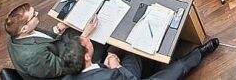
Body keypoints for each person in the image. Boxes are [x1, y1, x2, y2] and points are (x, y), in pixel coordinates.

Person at [55, 32, 216, 79]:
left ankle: (153, 61)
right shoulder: (106, 77)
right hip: (125, 77)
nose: (88, 39)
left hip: (117, 74)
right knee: (176, 69)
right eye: (86, 43)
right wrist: (116, 66)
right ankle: (199, 53)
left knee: (135, 52)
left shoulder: (70, 74)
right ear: (86, 57)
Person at [5, 2, 87, 80]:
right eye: (34, 15)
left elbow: (41, 39)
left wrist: (58, 29)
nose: (37, 13)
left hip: (55, 53)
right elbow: (66, 67)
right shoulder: (33, 56)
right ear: (24, 29)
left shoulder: (16, 33)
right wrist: (84, 36)